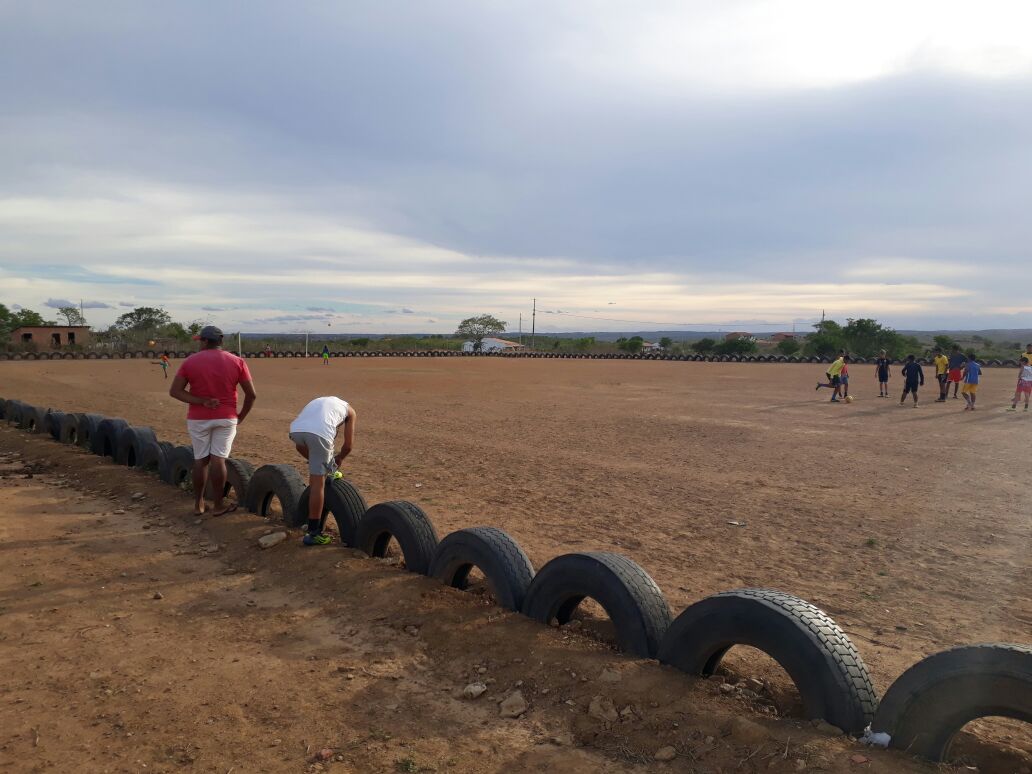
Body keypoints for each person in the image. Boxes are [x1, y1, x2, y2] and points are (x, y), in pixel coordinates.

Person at [169, 326, 257, 516]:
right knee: (219, 460)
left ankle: (199, 503)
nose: (199, 343)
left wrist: (201, 401)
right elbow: (251, 395)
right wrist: (240, 416)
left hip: (198, 418)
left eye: (200, 340)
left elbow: (175, 391)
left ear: (206, 341)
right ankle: (218, 505)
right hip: (226, 417)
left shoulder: (190, 362)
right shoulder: (237, 361)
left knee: (201, 460)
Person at [289, 396, 356, 546]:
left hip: (296, 431)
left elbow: (301, 443)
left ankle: (327, 468)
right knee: (317, 484)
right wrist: (340, 458)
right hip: (320, 433)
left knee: (306, 449)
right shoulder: (350, 412)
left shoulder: (321, 401)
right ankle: (314, 533)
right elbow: (348, 446)